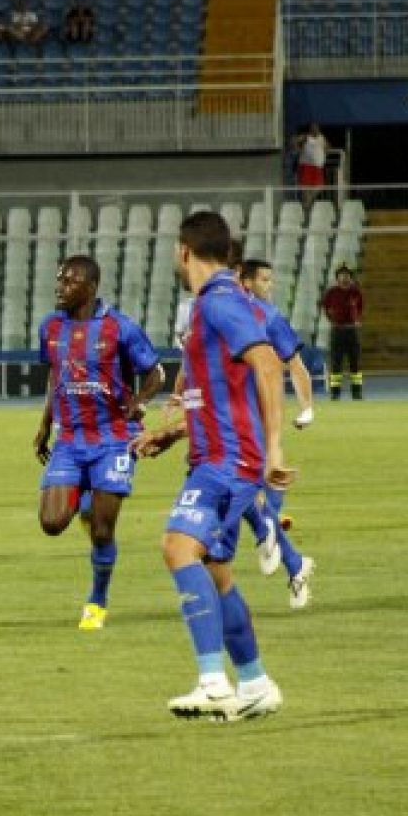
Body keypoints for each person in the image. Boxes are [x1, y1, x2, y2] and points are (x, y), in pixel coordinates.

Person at [131, 211, 292, 722]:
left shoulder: (220, 301)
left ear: (184, 251)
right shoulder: (216, 303)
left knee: (178, 546)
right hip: (216, 453)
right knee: (217, 572)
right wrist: (174, 432)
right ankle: (255, 683)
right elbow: (224, 392)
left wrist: (275, 449)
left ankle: (212, 683)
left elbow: (268, 364)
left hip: (228, 460)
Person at [32, 255, 165, 630]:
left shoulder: (119, 327)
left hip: (113, 438)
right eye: (59, 280)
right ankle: (87, 494)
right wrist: (44, 424)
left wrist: (139, 402)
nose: (60, 287)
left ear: (90, 287)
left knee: (103, 531)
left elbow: (155, 372)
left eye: (69, 282)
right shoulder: (50, 327)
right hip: (70, 438)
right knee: (51, 522)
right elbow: (55, 375)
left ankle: (97, 600)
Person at [238, 257, 317, 609]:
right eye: (264, 280)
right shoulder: (216, 314)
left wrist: (307, 407)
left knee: (241, 489)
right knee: (241, 491)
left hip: (259, 416)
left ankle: (273, 539)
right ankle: (294, 563)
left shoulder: (268, 317)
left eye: (270, 279)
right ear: (245, 281)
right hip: (229, 416)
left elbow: (295, 364)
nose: (269, 286)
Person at [321, 263, 364, 399]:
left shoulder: (356, 292)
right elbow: (326, 308)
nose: (344, 278)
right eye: (342, 275)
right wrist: (333, 320)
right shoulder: (331, 293)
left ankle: (357, 393)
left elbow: (360, 308)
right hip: (337, 331)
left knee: (355, 363)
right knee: (336, 363)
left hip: (352, 331)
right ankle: (335, 393)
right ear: (337, 278)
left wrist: (356, 320)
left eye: (347, 275)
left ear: (350, 277)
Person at [296, 122, 329, 208]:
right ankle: (306, 206)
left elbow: (327, 147)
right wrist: (298, 149)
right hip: (306, 166)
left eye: (317, 128)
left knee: (319, 187)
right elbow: (294, 142)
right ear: (310, 129)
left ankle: (308, 202)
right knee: (306, 189)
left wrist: (324, 153)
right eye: (313, 128)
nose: (315, 129)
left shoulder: (322, 138)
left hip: (318, 167)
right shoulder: (306, 137)